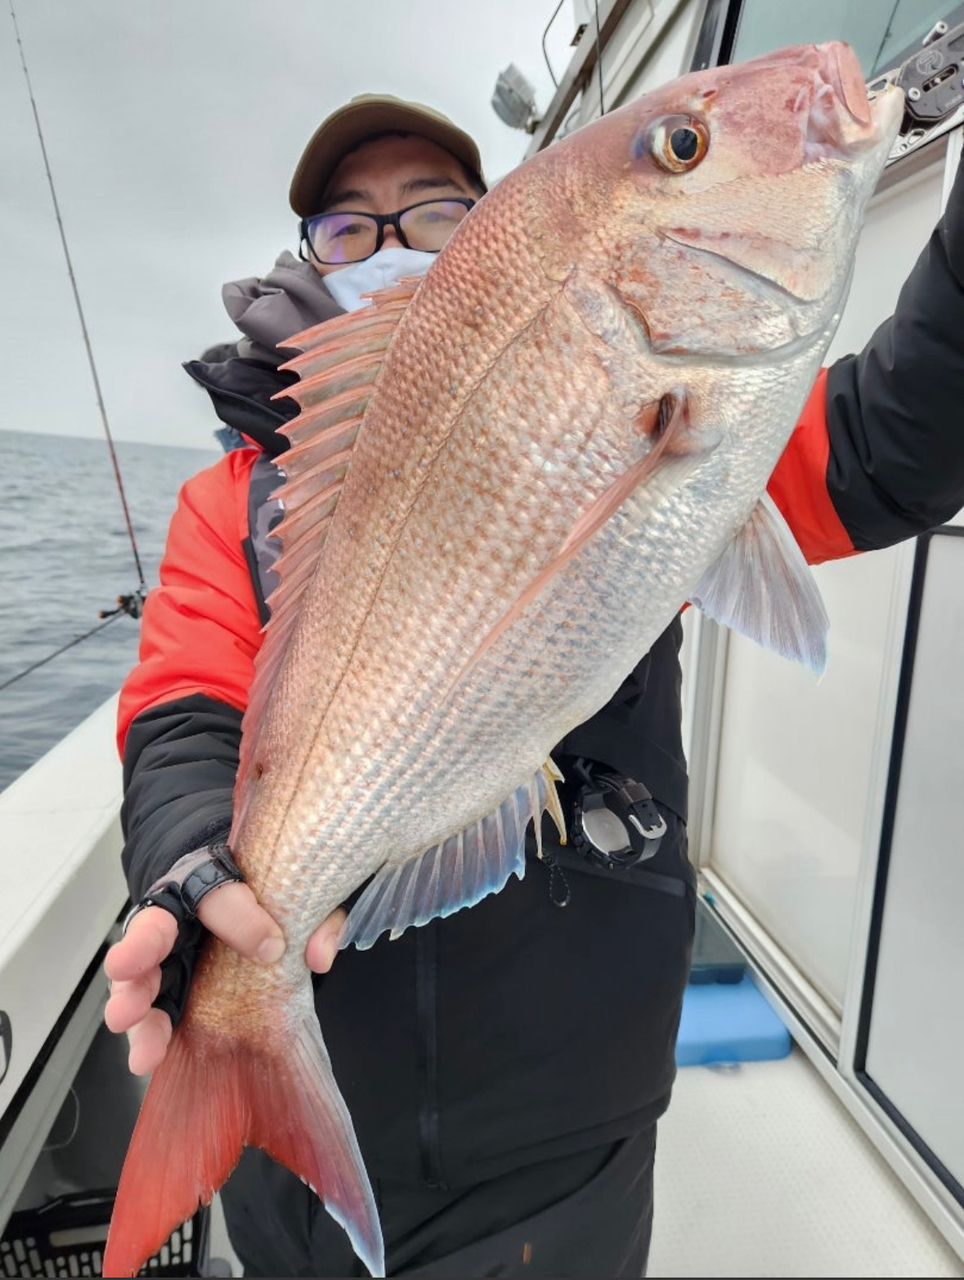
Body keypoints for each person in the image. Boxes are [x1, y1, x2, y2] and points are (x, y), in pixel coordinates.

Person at [104, 89, 964, 1278]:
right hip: (298, 1167)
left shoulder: (653, 406)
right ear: (304, 256)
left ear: (500, 233)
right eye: (348, 228)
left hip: (559, 1132)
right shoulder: (237, 495)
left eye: (436, 211)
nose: (391, 244)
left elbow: (889, 443)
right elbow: (184, 709)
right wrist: (200, 854)